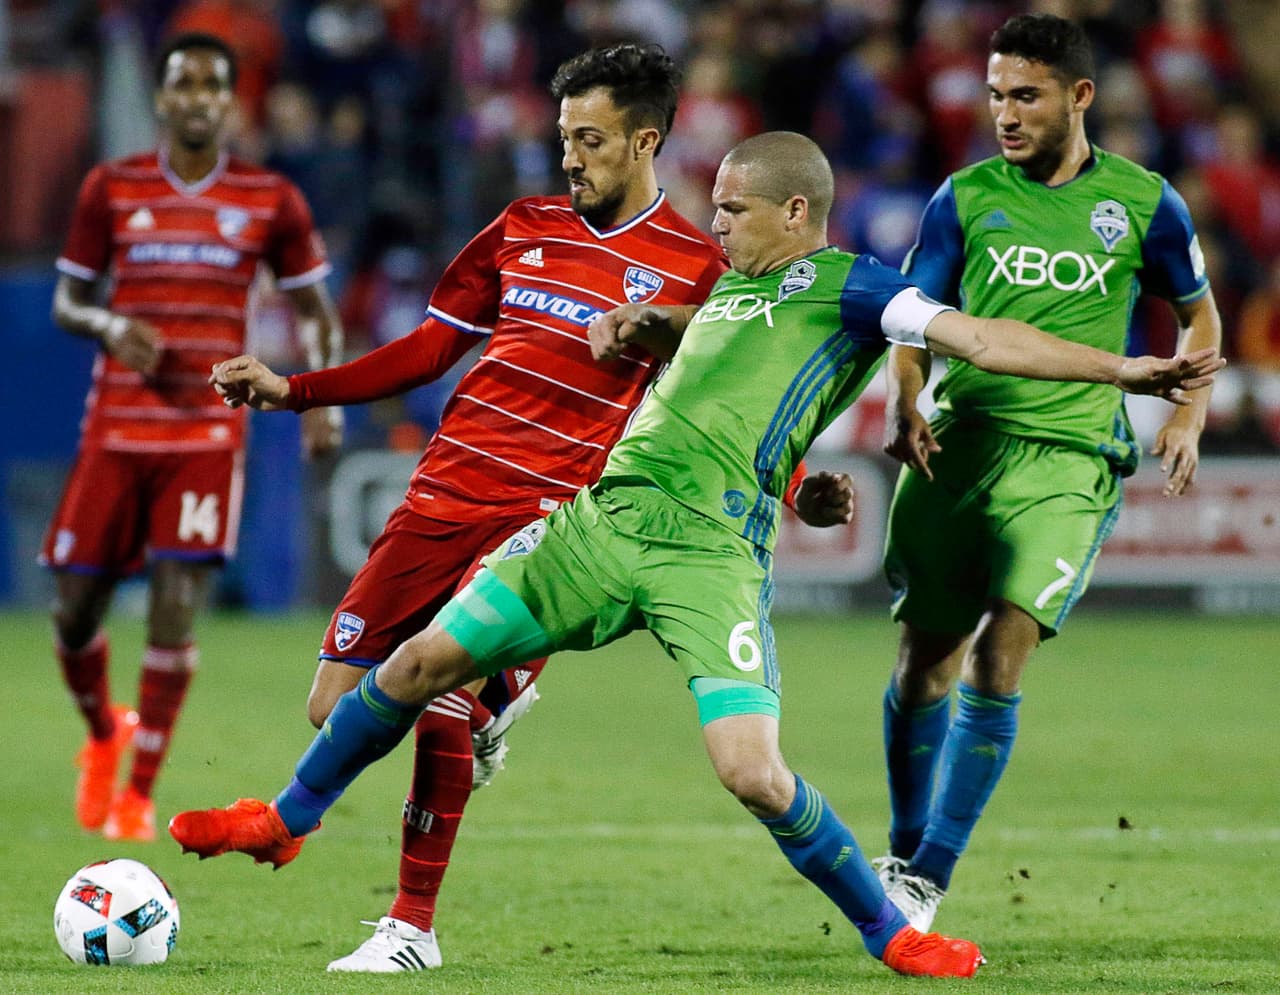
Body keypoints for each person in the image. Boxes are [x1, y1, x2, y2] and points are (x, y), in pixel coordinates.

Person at [170, 130, 1219, 977]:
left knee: (751, 771)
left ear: (793, 213)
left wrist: (1124, 366)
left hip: (704, 554)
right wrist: (646, 328)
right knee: (413, 666)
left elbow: (981, 338)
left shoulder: (854, 288)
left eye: (730, 208)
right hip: (599, 522)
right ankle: (283, 814)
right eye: (710, 205)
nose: (710, 222)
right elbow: (715, 355)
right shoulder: (726, 289)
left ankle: (891, 933)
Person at [179, 44, 819, 974]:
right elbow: (431, 346)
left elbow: (732, 404)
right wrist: (295, 390)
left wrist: (802, 485)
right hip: (442, 494)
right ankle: (488, 713)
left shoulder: (693, 267)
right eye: (564, 137)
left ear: (645, 140)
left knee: (434, 689)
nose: (570, 156)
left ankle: (409, 928)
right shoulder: (522, 226)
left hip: (549, 525)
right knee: (335, 705)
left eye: (591, 140)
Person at [874, 13, 1223, 932]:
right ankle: (904, 852)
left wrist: (1186, 411)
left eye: (1024, 94)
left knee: (1002, 652)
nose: (1004, 113)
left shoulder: (1148, 203)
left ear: (1080, 97)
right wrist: (903, 397)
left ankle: (927, 877)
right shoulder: (963, 197)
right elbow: (914, 318)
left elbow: (1200, 315)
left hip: (1070, 460)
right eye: (994, 95)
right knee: (922, 668)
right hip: (962, 445)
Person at [44, 32, 343, 845]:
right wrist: (108, 322)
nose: (199, 98)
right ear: (165, 97)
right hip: (115, 428)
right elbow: (67, 299)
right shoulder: (112, 187)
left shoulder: (268, 198)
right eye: (184, 84)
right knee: (73, 611)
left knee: (177, 609)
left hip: (208, 432)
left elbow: (317, 314)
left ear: (230, 101)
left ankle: (138, 792)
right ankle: (106, 733)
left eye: (216, 86)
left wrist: (322, 401)